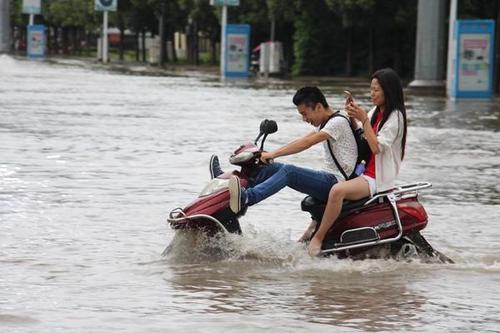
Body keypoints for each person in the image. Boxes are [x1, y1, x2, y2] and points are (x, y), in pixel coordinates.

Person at [307, 68, 408, 256]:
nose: (372, 94)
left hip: (377, 177)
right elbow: (363, 137)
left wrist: (364, 120)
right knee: (327, 185)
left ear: (388, 90)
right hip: (363, 171)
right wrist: (354, 119)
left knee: (337, 191)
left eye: (376, 90)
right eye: (371, 89)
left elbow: (376, 147)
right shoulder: (376, 111)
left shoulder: (396, 117)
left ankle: (318, 238)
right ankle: (309, 233)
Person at [224, 86, 358, 217]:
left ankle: (247, 198)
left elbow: (306, 143)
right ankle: (229, 190)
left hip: (336, 182)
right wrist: (268, 155)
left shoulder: (337, 122)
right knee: (272, 168)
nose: (304, 119)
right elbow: (302, 139)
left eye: (304, 114)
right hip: (327, 177)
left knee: (289, 171)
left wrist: (272, 154)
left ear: (318, 107)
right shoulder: (328, 121)